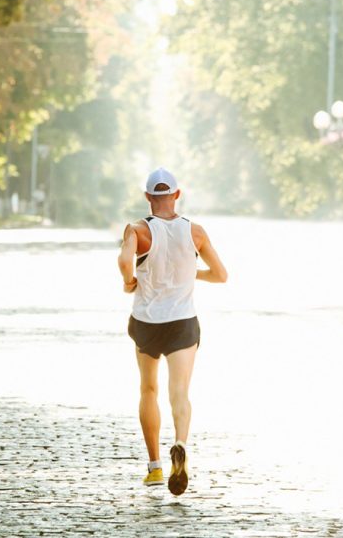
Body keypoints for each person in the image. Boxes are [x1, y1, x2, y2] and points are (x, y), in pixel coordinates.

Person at [117, 168, 228, 495]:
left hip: (147, 323)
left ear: (148, 197)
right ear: (177, 195)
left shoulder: (138, 230)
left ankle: (154, 467)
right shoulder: (195, 232)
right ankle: (180, 442)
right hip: (182, 322)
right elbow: (221, 275)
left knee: (148, 390)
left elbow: (124, 261)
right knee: (179, 393)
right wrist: (191, 274)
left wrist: (128, 282)